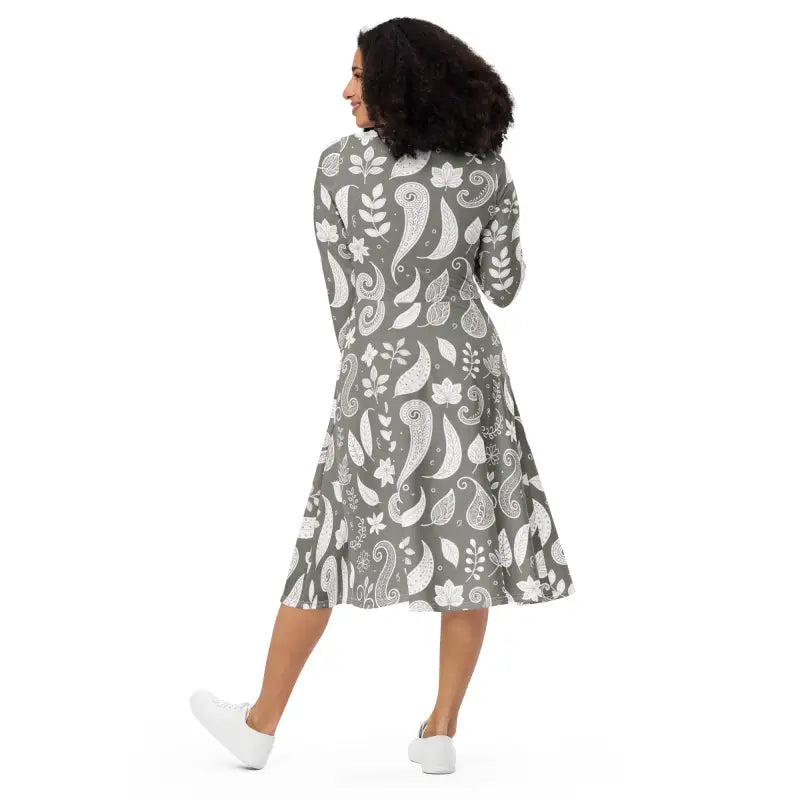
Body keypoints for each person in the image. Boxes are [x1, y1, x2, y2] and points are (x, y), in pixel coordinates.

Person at [190, 16, 576, 776]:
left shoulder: (338, 167)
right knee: (468, 542)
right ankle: (440, 732)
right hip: (466, 374)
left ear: (400, 84)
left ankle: (260, 723)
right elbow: (503, 287)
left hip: (374, 373)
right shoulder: (484, 171)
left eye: (360, 77)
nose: (346, 90)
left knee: (326, 541)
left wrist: (370, 367)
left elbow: (344, 295)